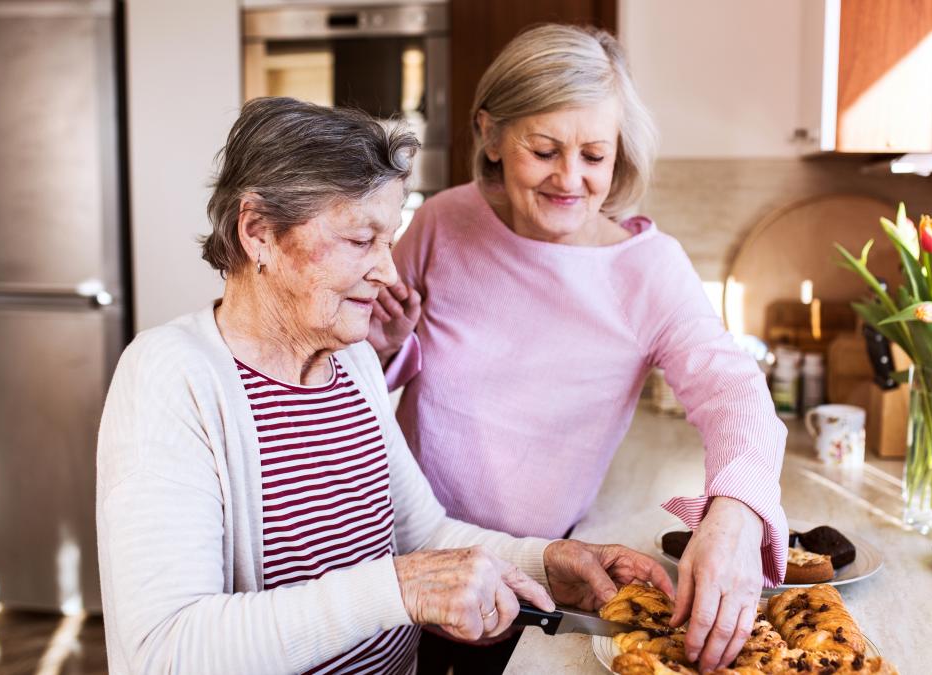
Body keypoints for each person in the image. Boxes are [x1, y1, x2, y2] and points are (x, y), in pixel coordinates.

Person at [95, 97, 672, 675]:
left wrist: (549, 563)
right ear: (259, 231)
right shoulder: (171, 378)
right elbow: (165, 651)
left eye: (387, 240)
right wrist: (399, 589)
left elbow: (422, 534)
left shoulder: (353, 363)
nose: (388, 271)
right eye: (358, 241)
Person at [368, 25, 789, 674]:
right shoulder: (440, 223)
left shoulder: (648, 271)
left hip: (536, 573)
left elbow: (734, 391)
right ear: (490, 135)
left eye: (594, 155)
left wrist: (735, 514)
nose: (571, 178)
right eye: (544, 150)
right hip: (402, 553)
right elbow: (351, 375)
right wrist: (388, 343)